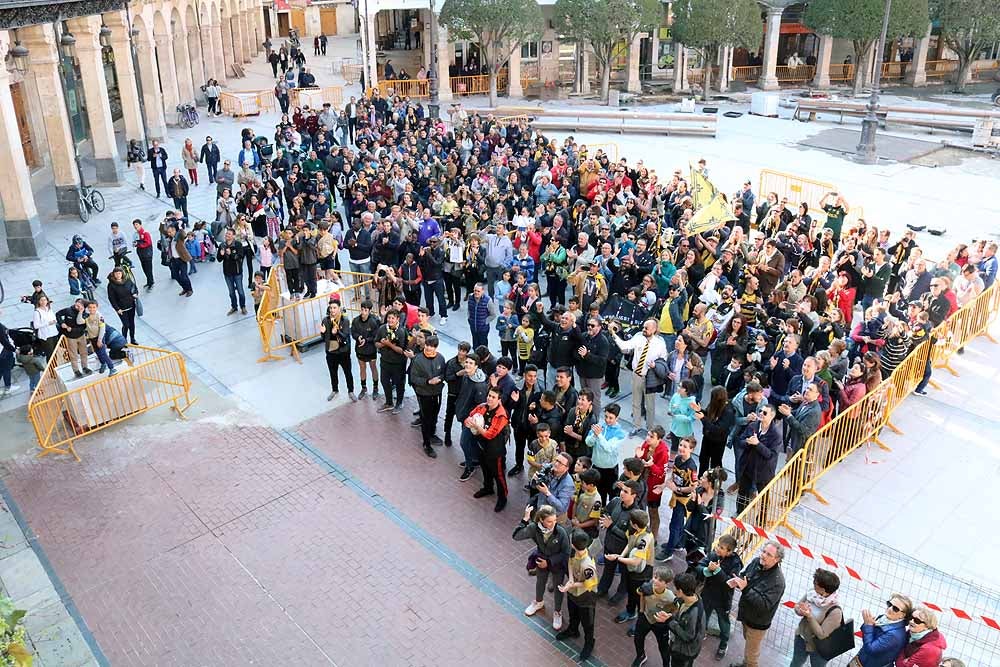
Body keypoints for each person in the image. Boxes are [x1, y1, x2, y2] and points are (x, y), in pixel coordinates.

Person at [514, 504, 571, 631]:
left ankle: (557, 611)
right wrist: (525, 519)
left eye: (555, 520)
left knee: (558, 588)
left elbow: (566, 553)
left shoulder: (561, 532)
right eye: (549, 521)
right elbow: (516, 536)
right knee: (540, 582)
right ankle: (538, 602)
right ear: (541, 520)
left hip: (556, 565)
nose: (553, 524)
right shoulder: (534, 528)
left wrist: (549, 562)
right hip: (541, 560)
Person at [730, 540, 786, 667]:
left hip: (757, 623)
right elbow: (745, 576)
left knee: (752, 656)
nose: (763, 555)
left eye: (769, 555)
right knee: (748, 645)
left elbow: (764, 605)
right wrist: (738, 580)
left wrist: (745, 588)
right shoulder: (756, 562)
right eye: (763, 551)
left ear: (777, 559)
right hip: (746, 615)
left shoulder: (778, 581)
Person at [609, 318, 668, 436]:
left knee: (649, 405)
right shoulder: (638, 337)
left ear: (654, 329)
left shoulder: (660, 343)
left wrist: (656, 365)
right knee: (636, 402)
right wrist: (614, 335)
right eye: (644, 327)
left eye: (647, 328)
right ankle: (636, 426)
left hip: (650, 378)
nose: (644, 329)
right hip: (637, 375)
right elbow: (625, 347)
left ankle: (651, 429)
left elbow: (664, 359)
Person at [698, 533, 743, 660]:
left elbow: (729, 583)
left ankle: (723, 645)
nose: (718, 548)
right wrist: (705, 570)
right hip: (708, 594)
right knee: (703, 617)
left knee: (724, 622)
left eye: (722, 548)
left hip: (723, 599)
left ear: (729, 552)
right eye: (718, 545)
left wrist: (717, 571)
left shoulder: (736, 563)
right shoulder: (713, 554)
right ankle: (701, 634)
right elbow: (699, 565)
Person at [556, 529, 599, 662]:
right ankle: (573, 629)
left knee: (588, 622)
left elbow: (588, 584)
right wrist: (570, 579)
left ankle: (589, 642)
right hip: (573, 592)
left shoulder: (587, 565)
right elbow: (570, 562)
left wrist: (571, 585)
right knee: (573, 613)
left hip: (586, 597)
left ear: (574, 544)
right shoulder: (574, 551)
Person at [608, 508, 654, 626]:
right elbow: (629, 544)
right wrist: (621, 555)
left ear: (635, 524)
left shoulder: (645, 538)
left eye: (630, 521)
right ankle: (630, 611)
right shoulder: (633, 530)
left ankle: (640, 622)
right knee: (631, 592)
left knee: (640, 598)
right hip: (631, 570)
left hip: (642, 573)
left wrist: (617, 558)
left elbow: (635, 561)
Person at [790, 568, 845, 667]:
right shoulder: (812, 593)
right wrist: (800, 610)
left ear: (824, 589)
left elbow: (822, 634)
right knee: (796, 663)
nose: (813, 584)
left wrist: (809, 616)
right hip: (801, 638)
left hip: (819, 648)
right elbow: (797, 607)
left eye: (816, 583)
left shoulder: (835, 611)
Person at [736, 403, 781, 514]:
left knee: (763, 498)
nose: (761, 414)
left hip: (764, 471)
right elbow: (740, 441)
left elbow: (771, 455)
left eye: (764, 413)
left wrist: (757, 444)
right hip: (748, 467)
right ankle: (740, 513)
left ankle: (761, 519)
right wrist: (748, 442)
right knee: (742, 494)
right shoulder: (753, 426)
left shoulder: (776, 435)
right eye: (760, 411)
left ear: (772, 416)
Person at [409, 334, 446, 458]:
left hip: (437, 392)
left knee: (434, 415)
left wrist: (439, 379)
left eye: (432, 346)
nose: (430, 348)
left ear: (436, 347)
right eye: (428, 346)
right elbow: (413, 378)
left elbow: (443, 374)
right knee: (425, 418)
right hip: (424, 393)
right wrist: (428, 382)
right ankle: (426, 443)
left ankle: (431, 434)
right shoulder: (418, 360)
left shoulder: (441, 358)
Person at [854, 594, 913, 667]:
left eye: (895, 609)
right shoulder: (883, 618)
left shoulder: (894, 635)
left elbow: (870, 649)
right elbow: (867, 634)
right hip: (862, 660)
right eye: (889, 604)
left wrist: (868, 625)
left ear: (902, 615)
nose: (890, 608)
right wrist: (868, 625)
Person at [587, 403, 626, 503]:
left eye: (611, 418)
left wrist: (599, 435)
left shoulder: (620, 433)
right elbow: (588, 442)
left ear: (617, 418)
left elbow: (608, 448)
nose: (607, 420)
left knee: (612, 494)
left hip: (610, 470)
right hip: (596, 467)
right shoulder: (599, 427)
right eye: (606, 416)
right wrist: (594, 436)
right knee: (599, 496)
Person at [666, 571, 706, 667]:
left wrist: (670, 621)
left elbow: (688, 636)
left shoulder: (694, 613)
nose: (675, 591)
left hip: (684, 652)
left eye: (676, 589)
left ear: (680, 591)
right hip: (680, 647)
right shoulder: (692, 598)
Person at [320, 300, 356, 402]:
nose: (332, 310)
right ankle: (334, 390)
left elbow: (346, 337)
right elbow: (324, 338)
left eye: (334, 308)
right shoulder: (325, 320)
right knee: (333, 372)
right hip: (331, 352)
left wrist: (337, 332)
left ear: (339, 308)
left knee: (347, 372)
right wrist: (322, 333)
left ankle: (351, 391)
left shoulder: (345, 320)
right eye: (331, 308)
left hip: (343, 352)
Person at [374, 309, 407, 414]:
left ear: (398, 319)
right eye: (389, 317)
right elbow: (376, 343)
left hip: (398, 363)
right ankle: (389, 402)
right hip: (385, 361)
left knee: (399, 383)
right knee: (384, 381)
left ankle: (399, 402)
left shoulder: (402, 331)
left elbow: (401, 350)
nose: (390, 320)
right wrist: (383, 344)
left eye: (393, 318)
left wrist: (389, 344)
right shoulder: (382, 328)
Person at [351, 301, 381, 401]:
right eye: (362, 309)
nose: (363, 312)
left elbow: (376, 336)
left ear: (369, 311)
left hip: (371, 349)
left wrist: (366, 340)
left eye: (366, 310)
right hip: (360, 349)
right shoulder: (355, 320)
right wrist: (358, 337)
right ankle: (364, 388)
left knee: (373, 367)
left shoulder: (374, 321)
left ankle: (375, 388)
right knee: (362, 368)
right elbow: (353, 332)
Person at [216, 228, 248, 315]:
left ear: (233, 236)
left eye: (229, 234)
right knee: (231, 292)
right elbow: (219, 259)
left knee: (240, 291)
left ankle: (243, 306)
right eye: (226, 234)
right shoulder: (222, 245)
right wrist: (221, 255)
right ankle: (234, 307)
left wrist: (231, 254)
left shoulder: (238, 244)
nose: (227, 235)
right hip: (227, 273)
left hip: (237, 272)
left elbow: (240, 257)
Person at [107, 267, 139, 346]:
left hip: (131, 305)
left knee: (132, 323)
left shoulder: (127, 280)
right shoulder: (111, 285)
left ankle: (132, 338)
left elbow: (135, 288)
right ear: (113, 274)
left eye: (119, 273)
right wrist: (117, 309)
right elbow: (111, 298)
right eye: (116, 274)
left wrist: (135, 294)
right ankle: (123, 340)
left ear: (122, 274)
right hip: (121, 309)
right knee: (126, 324)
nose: (118, 275)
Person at [84, 301, 117, 376]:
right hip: (92, 338)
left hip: (99, 337)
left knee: (103, 353)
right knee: (97, 352)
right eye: (90, 307)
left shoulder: (99, 316)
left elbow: (102, 328)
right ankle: (103, 364)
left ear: (97, 307)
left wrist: (100, 340)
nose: (92, 309)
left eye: (94, 307)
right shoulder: (87, 316)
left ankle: (112, 368)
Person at [165, 224, 193, 297]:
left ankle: (189, 289)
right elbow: (162, 230)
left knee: (184, 276)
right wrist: (162, 223)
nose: (169, 233)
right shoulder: (170, 239)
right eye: (168, 232)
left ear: (174, 230)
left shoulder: (179, 237)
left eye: (170, 232)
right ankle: (185, 288)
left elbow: (183, 235)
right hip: (174, 260)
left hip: (182, 259)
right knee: (176, 276)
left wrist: (180, 227)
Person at [32, 296, 59, 360]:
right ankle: (51, 367)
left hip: (53, 332)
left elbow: (54, 318)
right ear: (39, 301)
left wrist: (54, 321)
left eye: (45, 300)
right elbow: (36, 325)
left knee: (56, 350)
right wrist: (47, 323)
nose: (43, 302)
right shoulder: (37, 312)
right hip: (46, 335)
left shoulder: (49, 309)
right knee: (50, 353)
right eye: (41, 300)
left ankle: (55, 364)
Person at [467, 282, 492, 349]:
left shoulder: (488, 300)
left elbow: (493, 315)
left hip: (483, 329)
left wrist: (484, 322)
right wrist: (469, 319)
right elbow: (469, 310)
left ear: (483, 291)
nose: (476, 293)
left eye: (478, 291)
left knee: (483, 347)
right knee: (475, 345)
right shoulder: (470, 297)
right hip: (473, 327)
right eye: (475, 290)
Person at [132, 220, 155, 290]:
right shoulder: (136, 234)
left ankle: (151, 282)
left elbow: (147, 243)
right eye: (134, 225)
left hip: (147, 254)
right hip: (141, 255)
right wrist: (135, 244)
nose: (135, 226)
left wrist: (138, 244)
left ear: (140, 225)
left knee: (149, 269)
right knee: (144, 269)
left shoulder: (145, 233)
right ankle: (148, 282)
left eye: (137, 224)